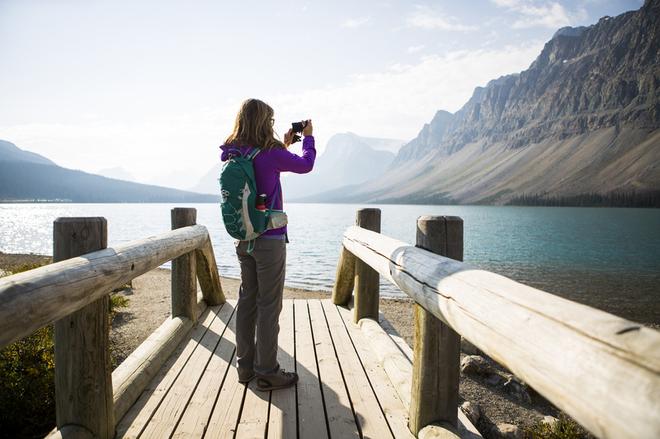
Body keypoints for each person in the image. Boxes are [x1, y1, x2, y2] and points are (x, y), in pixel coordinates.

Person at [219, 98, 316, 391]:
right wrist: (308, 138)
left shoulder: (235, 153)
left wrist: (282, 146)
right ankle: (268, 372)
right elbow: (306, 165)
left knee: (247, 303)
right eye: (271, 121)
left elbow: (260, 174)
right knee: (269, 306)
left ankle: (245, 368)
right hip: (270, 241)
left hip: (244, 240)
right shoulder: (270, 153)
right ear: (265, 122)